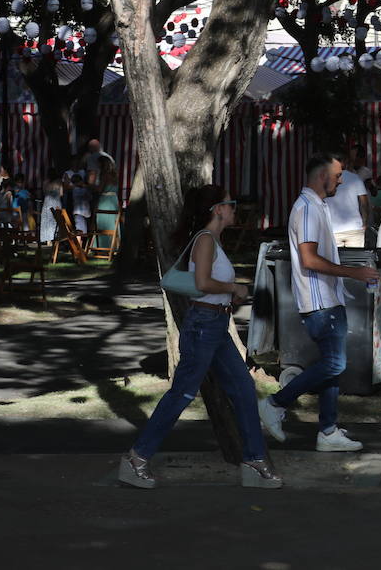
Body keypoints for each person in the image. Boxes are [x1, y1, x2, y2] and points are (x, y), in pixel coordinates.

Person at [119, 184, 283, 490]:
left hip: (215, 325)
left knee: (244, 388)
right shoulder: (205, 239)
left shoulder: (213, 240)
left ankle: (254, 460)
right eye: (231, 204)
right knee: (182, 394)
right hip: (204, 326)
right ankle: (136, 458)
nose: (234, 209)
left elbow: (207, 284)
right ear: (218, 210)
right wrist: (234, 288)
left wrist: (230, 295)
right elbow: (203, 282)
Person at [257, 153, 379, 452]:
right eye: (337, 175)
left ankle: (328, 430)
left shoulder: (316, 205)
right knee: (335, 363)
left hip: (327, 298)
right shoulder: (308, 209)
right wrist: (354, 273)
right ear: (322, 176)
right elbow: (309, 259)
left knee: (331, 367)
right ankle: (275, 403)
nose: (341, 180)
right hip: (319, 301)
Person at [325, 150, 372, 248]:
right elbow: (364, 203)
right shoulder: (355, 178)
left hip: (332, 228)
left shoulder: (326, 179)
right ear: (345, 162)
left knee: (335, 258)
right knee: (355, 258)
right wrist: (364, 222)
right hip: (354, 228)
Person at [91, 159, 121, 256]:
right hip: (114, 200)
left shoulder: (104, 175)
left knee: (102, 223)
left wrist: (90, 186)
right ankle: (114, 247)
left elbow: (100, 189)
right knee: (113, 223)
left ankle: (103, 247)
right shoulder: (115, 175)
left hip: (105, 200)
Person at [38, 168, 64, 244]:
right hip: (56, 202)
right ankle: (55, 238)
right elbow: (61, 193)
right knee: (56, 220)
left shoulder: (45, 182)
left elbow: (44, 192)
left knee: (46, 220)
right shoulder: (59, 182)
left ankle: (48, 240)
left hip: (47, 202)